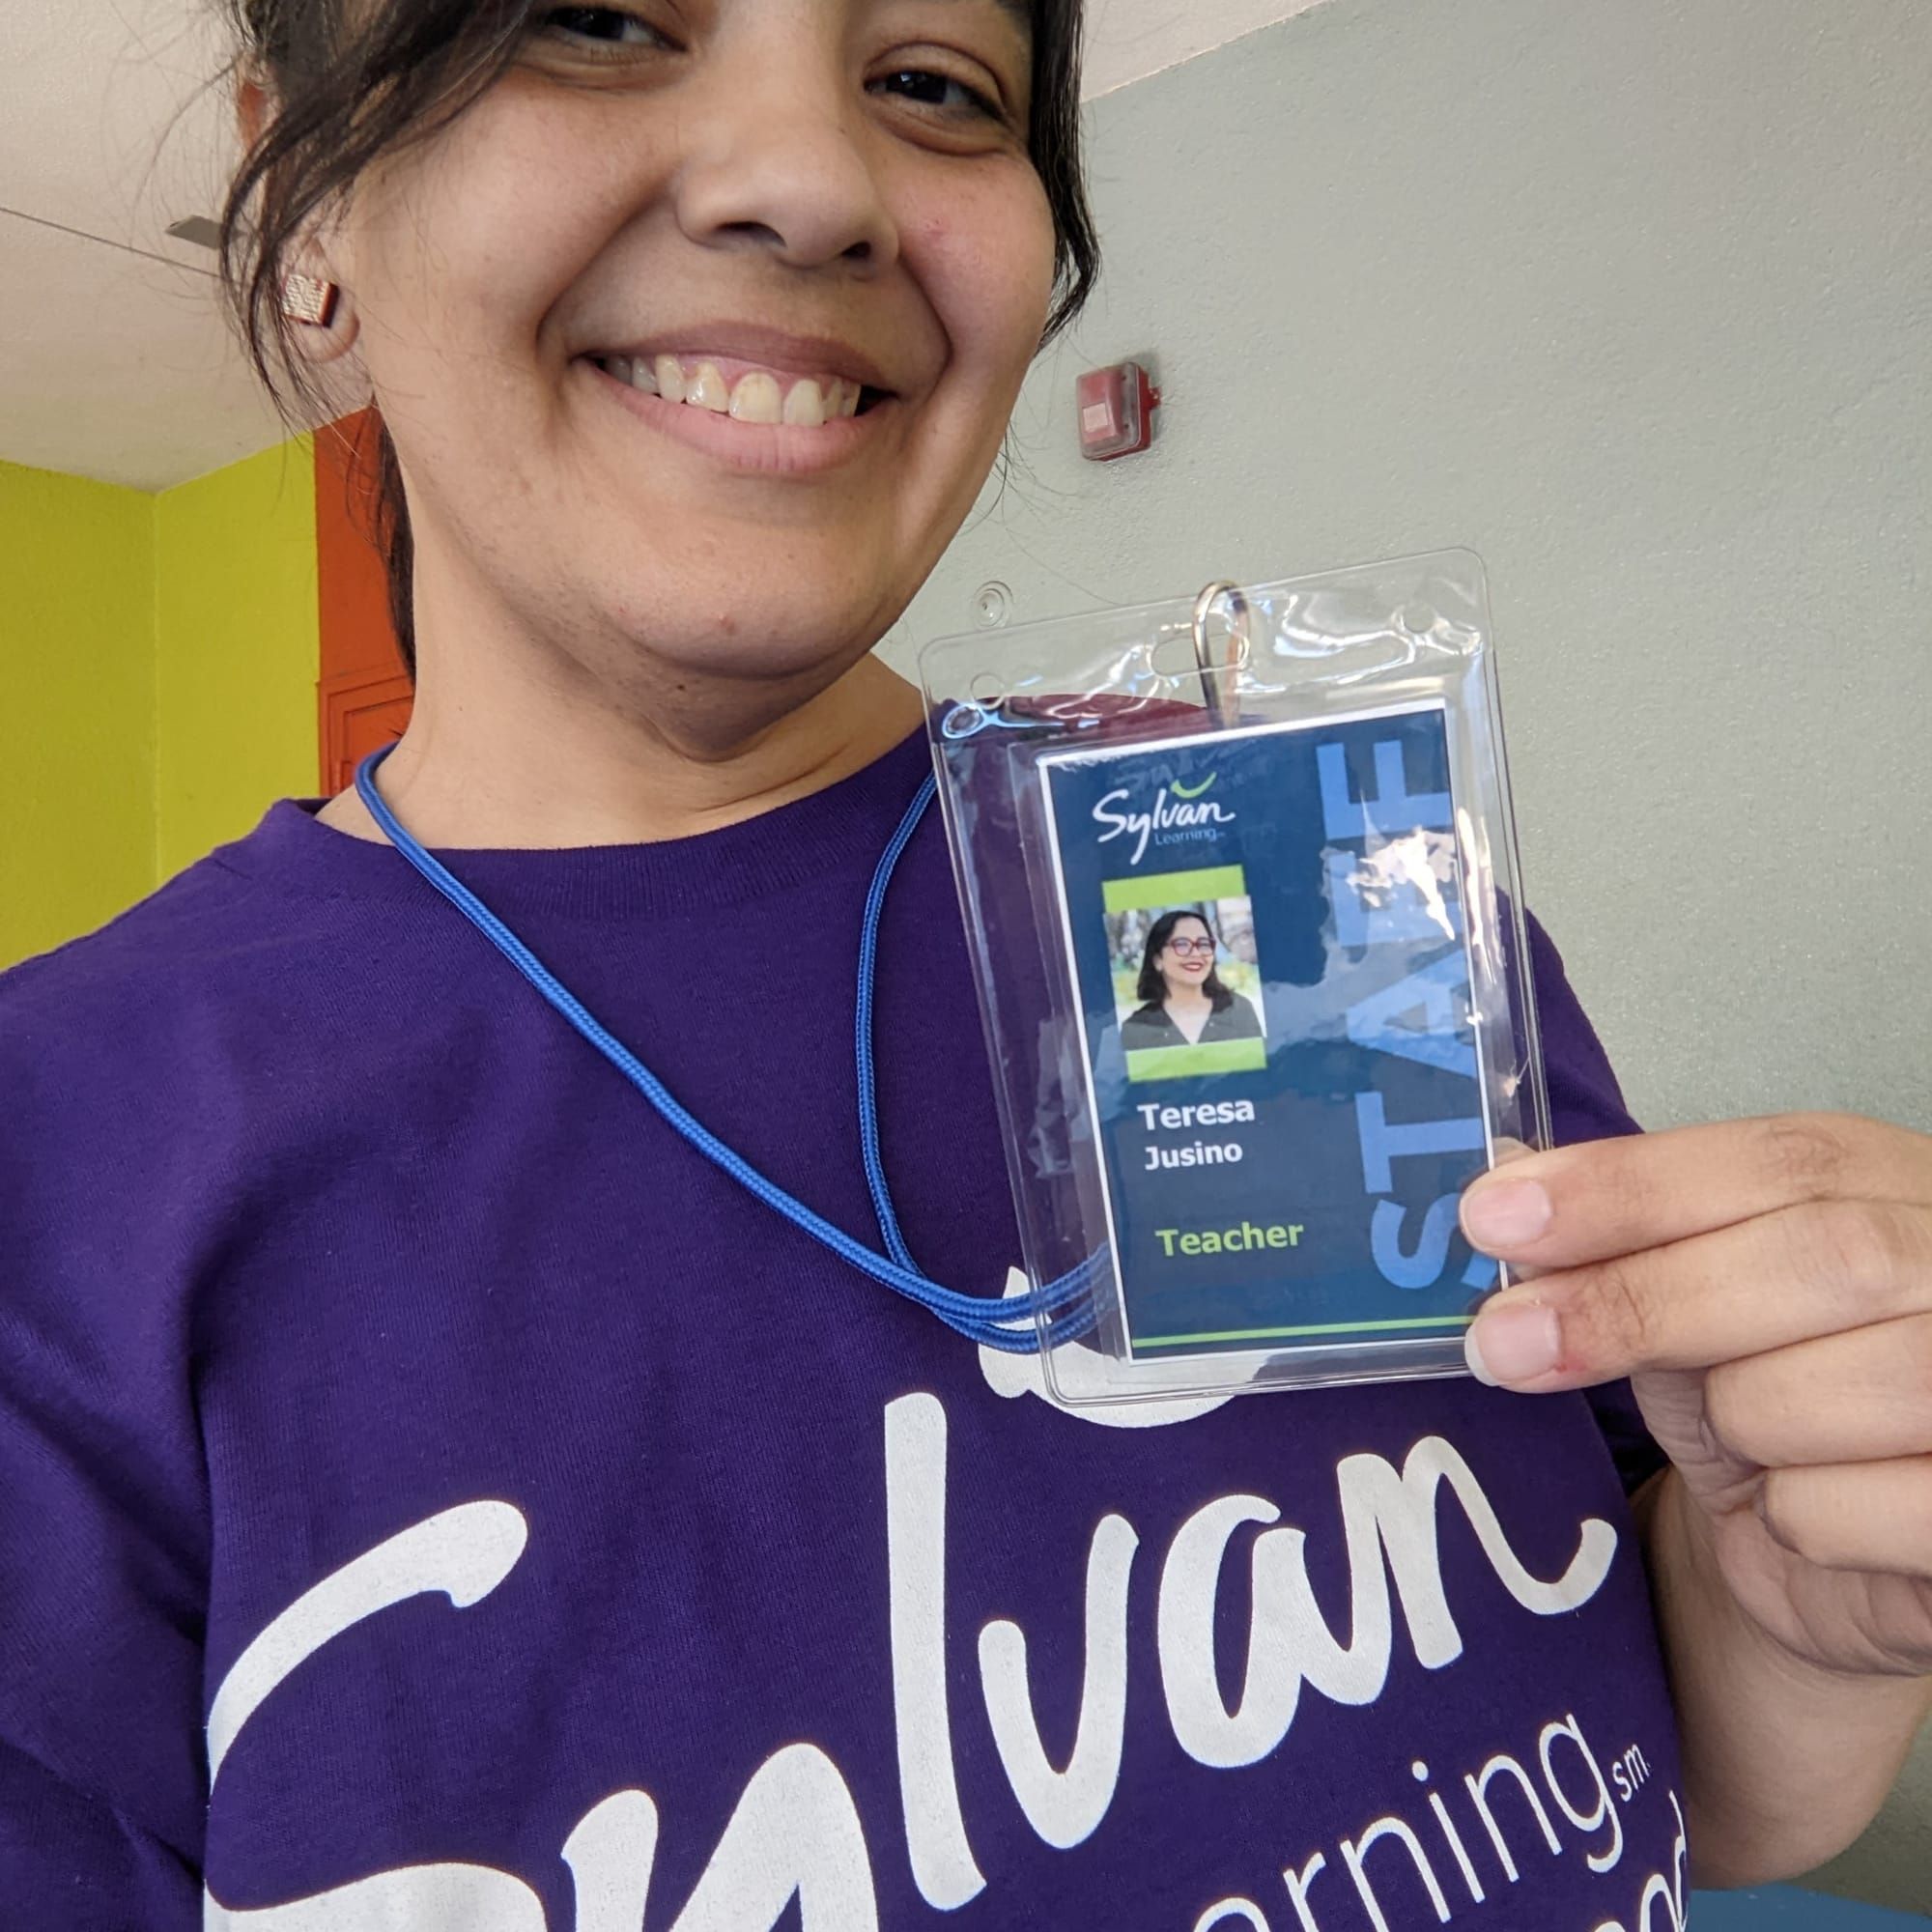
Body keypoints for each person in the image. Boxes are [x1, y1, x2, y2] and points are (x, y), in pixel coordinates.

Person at [1, 2, 1927, 1925]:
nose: (813, 181)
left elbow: (1643, 1778)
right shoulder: (65, 1171)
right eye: (593, 21)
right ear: (305, 189)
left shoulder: (1319, 881)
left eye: (933, 82)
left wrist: (1798, 1622)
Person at [1120, 908, 1262, 1050]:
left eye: (1204, 944)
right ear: (1158, 960)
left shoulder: (1239, 1010)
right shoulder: (1135, 1031)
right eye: (1182, 944)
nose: (1196, 953)